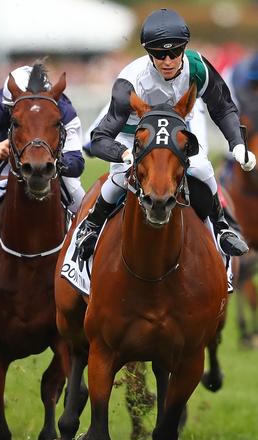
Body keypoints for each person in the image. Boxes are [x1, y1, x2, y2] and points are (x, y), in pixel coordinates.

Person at [75, 8, 257, 260]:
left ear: (185, 48)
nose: (168, 61)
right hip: (135, 137)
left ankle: (222, 227)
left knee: (202, 169)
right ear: (148, 52)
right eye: (159, 54)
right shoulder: (129, 81)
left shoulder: (199, 68)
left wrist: (237, 143)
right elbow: (99, 138)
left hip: (177, 133)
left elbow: (223, 107)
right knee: (118, 180)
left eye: (175, 52)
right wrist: (125, 153)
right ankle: (91, 226)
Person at [0, 64, 86, 262]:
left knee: (74, 187)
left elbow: (77, 163)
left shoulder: (63, 107)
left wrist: (55, 160)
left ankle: (88, 234)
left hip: (46, 158)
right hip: (8, 153)